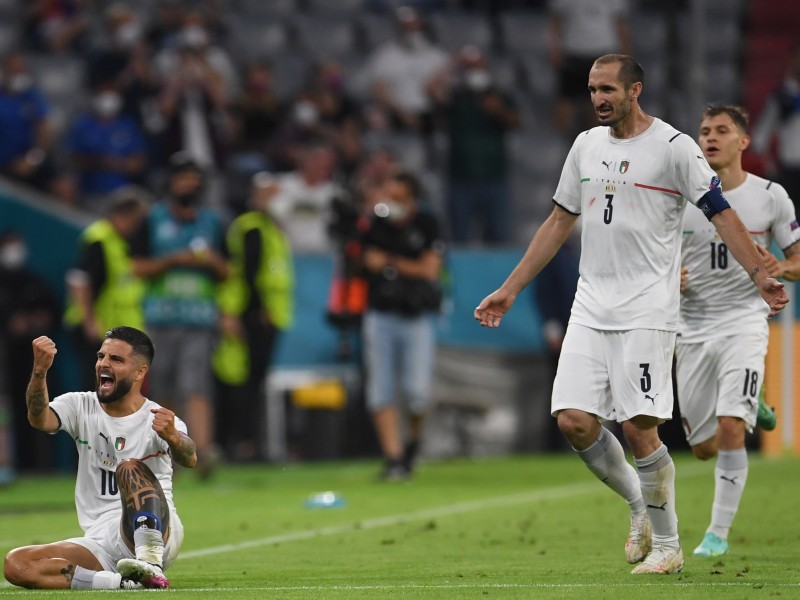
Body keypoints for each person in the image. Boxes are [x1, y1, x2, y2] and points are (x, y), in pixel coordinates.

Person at [474, 54, 789, 575]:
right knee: (573, 420)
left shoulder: (673, 148)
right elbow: (559, 220)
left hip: (648, 308)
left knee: (639, 427)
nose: (598, 98)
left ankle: (668, 548)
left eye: (608, 90)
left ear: (635, 90)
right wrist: (510, 289)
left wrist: (759, 273)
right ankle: (640, 505)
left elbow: (723, 215)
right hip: (590, 304)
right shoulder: (585, 146)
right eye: (592, 89)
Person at [677, 104, 800, 558]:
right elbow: (653, 254)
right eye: (704, 130)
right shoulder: (679, 197)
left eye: (721, 131)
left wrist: (782, 265)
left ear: (743, 141)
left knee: (732, 427)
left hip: (745, 322)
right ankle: (758, 403)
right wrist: (671, 277)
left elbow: (798, 259)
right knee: (705, 447)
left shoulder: (771, 195)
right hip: (689, 328)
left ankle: (717, 534)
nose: (710, 138)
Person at [3, 327, 195, 590]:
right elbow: (39, 418)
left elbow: (190, 457)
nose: (103, 363)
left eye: (115, 359)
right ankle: (123, 583)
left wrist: (173, 436)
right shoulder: (79, 405)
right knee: (17, 564)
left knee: (129, 468)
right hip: (100, 540)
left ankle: (150, 562)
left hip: (156, 532)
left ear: (140, 372)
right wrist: (39, 372)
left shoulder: (157, 418)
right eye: (101, 356)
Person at [130, 153, 229, 478]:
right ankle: (168, 452)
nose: (190, 183)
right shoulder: (152, 219)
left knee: (196, 386)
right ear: (170, 182)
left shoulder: (213, 222)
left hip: (199, 318)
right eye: (183, 177)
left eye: (194, 177)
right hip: (160, 317)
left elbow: (228, 270)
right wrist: (173, 260)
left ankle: (201, 451)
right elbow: (137, 266)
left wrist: (210, 261)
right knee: (164, 388)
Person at [360, 170, 444, 480]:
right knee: (380, 388)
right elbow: (365, 260)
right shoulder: (375, 221)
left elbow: (429, 269)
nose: (388, 198)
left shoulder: (427, 222)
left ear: (410, 195)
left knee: (417, 392)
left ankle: (413, 441)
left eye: (395, 192)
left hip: (416, 316)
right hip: (379, 314)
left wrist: (391, 262)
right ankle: (394, 458)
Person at [214, 172, 294, 462]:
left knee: (251, 379)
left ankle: (243, 442)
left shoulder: (268, 227)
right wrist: (258, 310)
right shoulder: (253, 228)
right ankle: (238, 442)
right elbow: (250, 272)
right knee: (241, 380)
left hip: (259, 312)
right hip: (253, 313)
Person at [428, 45, 521, 245]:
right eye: (469, 67)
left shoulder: (498, 95)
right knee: (459, 239)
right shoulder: (456, 97)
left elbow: (516, 123)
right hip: (461, 178)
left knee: (498, 239)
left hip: (494, 177)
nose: (474, 71)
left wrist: (498, 110)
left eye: (477, 66)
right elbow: (430, 90)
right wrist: (453, 66)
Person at [64, 186, 149, 392]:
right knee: (96, 389)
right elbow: (79, 280)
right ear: (121, 214)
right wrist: (89, 322)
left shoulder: (120, 241)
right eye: (135, 220)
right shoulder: (99, 238)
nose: (136, 226)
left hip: (113, 330)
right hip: (97, 329)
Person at [0, 232, 61, 475]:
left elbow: (53, 311)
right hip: (7, 360)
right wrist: (10, 324)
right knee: (10, 412)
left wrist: (38, 320)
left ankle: (42, 466)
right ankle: (12, 466)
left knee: (43, 409)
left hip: (38, 359)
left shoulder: (34, 281)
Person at [548, 0, 631, 136]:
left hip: (604, 56)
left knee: (599, 105)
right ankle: (560, 146)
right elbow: (555, 21)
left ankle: (596, 146)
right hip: (572, 55)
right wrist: (553, 48)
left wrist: (626, 54)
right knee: (565, 105)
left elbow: (620, 23)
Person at [751, 44, 800, 218]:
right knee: (790, 219)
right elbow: (761, 133)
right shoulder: (780, 95)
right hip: (789, 166)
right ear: (793, 60)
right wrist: (768, 163)